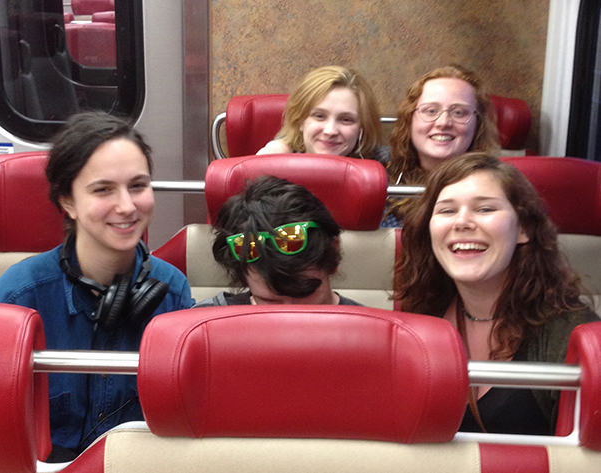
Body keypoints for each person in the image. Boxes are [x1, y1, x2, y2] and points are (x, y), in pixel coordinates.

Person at [0, 111, 194, 461]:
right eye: (103, 189)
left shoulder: (171, 290)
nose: (126, 206)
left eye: (138, 186)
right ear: (67, 201)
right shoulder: (17, 297)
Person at [394, 152, 598, 435]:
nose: (461, 222)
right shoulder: (420, 314)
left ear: (523, 230)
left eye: (485, 209)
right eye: (447, 211)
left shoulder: (571, 333)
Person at [194, 175, 361, 306]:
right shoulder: (199, 331)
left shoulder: (375, 334)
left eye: (305, 295)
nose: (290, 316)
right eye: (269, 301)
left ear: (334, 254)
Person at [383, 64, 500, 227]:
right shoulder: (378, 177)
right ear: (409, 120)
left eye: (459, 112)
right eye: (430, 111)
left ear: (478, 125)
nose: (443, 122)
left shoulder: (499, 187)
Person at [256, 65, 388, 163]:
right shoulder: (275, 162)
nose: (330, 131)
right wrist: (268, 164)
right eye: (319, 116)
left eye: (346, 120)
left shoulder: (385, 168)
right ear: (300, 120)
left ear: (362, 127)